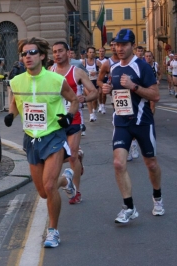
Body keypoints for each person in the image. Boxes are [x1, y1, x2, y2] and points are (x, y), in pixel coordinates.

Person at [4, 37, 79, 248]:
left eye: (32, 52)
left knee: (48, 185)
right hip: (31, 139)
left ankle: (53, 231)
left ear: (42, 56)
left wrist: (69, 117)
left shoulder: (56, 80)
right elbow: (15, 101)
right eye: (24, 54)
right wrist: (11, 114)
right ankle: (66, 180)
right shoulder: (17, 81)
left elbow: (73, 100)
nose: (27, 57)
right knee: (43, 192)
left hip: (53, 135)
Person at [101, 29, 164, 224]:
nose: (119, 48)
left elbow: (155, 95)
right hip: (121, 122)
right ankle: (129, 207)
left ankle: (158, 197)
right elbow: (116, 95)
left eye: (124, 45)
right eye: (117, 45)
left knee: (151, 163)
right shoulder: (113, 68)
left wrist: (133, 86)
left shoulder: (142, 67)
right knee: (119, 163)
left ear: (132, 46)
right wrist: (107, 90)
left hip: (142, 122)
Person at [51, 41, 98, 204]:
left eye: (60, 51)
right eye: (54, 52)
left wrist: (84, 98)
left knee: (71, 155)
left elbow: (94, 91)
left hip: (74, 118)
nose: (57, 54)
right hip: (55, 120)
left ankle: (76, 192)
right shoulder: (49, 72)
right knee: (57, 156)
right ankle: (79, 156)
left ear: (68, 52)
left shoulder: (77, 72)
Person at [82, 47, 102, 122]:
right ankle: (91, 114)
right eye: (90, 52)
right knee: (88, 97)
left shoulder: (97, 62)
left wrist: (97, 72)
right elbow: (80, 71)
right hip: (87, 82)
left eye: (93, 52)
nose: (91, 54)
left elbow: (103, 71)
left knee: (95, 99)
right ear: (87, 53)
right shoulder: (84, 62)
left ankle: (94, 110)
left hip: (95, 81)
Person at [97, 47, 109, 114]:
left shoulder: (107, 60)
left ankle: (103, 105)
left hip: (105, 78)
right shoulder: (96, 60)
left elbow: (108, 70)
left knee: (104, 94)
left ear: (105, 52)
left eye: (103, 51)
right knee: (99, 92)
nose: (101, 52)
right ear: (98, 52)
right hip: (98, 78)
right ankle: (100, 105)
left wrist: (102, 67)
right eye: (100, 51)